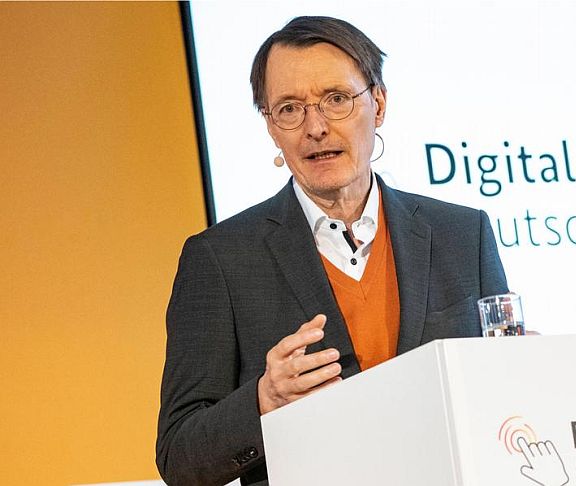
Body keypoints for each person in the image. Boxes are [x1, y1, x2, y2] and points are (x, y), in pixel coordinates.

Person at [156, 16, 508, 486]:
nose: (316, 127)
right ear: (270, 126)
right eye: (289, 109)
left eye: (337, 99)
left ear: (378, 104)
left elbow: (503, 401)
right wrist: (264, 400)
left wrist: (521, 373)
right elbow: (179, 457)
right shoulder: (221, 260)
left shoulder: (462, 234)